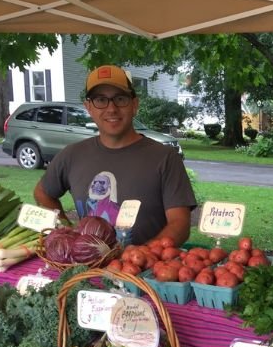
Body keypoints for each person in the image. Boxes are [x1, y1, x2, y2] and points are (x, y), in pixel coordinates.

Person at [33, 64, 196, 246]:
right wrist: (65, 232)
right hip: (90, 263)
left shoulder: (165, 158)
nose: (111, 108)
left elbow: (179, 224)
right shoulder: (72, 155)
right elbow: (42, 192)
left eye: (120, 98)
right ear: (89, 108)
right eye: (101, 100)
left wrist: (142, 255)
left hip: (145, 264)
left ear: (134, 105)